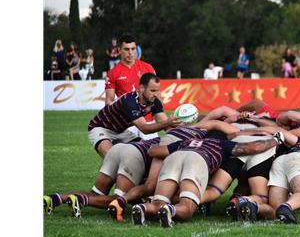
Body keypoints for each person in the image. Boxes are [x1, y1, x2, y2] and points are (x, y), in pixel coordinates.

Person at [130, 131, 285, 227]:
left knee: (159, 202)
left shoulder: (184, 142)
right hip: (197, 160)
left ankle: (142, 208)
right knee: (187, 208)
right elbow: (253, 148)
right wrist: (276, 140)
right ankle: (171, 209)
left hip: (174, 156)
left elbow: (153, 151)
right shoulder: (220, 143)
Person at [43, 138, 160, 218]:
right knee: (120, 199)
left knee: (96, 193)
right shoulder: (175, 142)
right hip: (134, 155)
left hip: (118, 149)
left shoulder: (168, 136)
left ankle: (54, 199)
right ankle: (80, 200)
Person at [88, 73, 181, 158]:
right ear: (141, 88)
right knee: (110, 154)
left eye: (158, 91)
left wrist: (182, 129)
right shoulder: (129, 101)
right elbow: (145, 128)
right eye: (152, 90)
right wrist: (167, 123)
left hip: (122, 131)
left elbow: (164, 124)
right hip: (101, 127)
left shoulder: (154, 101)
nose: (156, 94)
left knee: (143, 152)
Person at [105, 34, 158, 140]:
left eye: (133, 49)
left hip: (148, 121)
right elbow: (109, 100)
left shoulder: (147, 68)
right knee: (128, 155)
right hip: (127, 125)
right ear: (119, 50)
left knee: (154, 153)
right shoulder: (113, 73)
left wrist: (160, 118)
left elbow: (156, 95)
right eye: (126, 49)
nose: (130, 53)